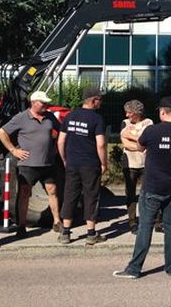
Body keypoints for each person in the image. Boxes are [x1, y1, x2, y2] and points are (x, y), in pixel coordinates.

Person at [113, 96, 171, 279]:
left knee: (145, 226)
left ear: (162, 112)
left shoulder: (152, 131)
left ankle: (134, 269)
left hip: (153, 186)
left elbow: (139, 147)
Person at [0, 91, 62, 238]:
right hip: (28, 165)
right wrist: (13, 150)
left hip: (47, 163)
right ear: (33, 103)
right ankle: (21, 225)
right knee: (24, 194)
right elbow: (1, 133)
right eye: (43, 103)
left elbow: (60, 131)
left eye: (46, 102)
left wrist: (56, 146)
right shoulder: (21, 117)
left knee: (53, 191)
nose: (46, 105)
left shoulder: (50, 116)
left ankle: (57, 222)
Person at [57, 86, 107, 245]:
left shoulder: (70, 116)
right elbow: (100, 145)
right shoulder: (97, 119)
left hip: (72, 163)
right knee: (91, 196)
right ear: (93, 101)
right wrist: (104, 163)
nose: (101, 102)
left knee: (70, 195)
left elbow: (60, 141)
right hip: (90, 164)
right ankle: (91, 234)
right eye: (100, 99)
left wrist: (64, 159)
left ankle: (65, 233)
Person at [119, 100, 153, 234]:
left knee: (148, 192)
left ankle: (151, 219)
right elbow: (124, 141)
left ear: (138, 113)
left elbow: (147, 139)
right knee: (130, 193)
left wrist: (133, 137)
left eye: (130, 113)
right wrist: (140, 146)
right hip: (130, 163)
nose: (127, 115)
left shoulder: (148, 123)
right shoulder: (124, 123)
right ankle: (132, 221)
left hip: (145, 163)